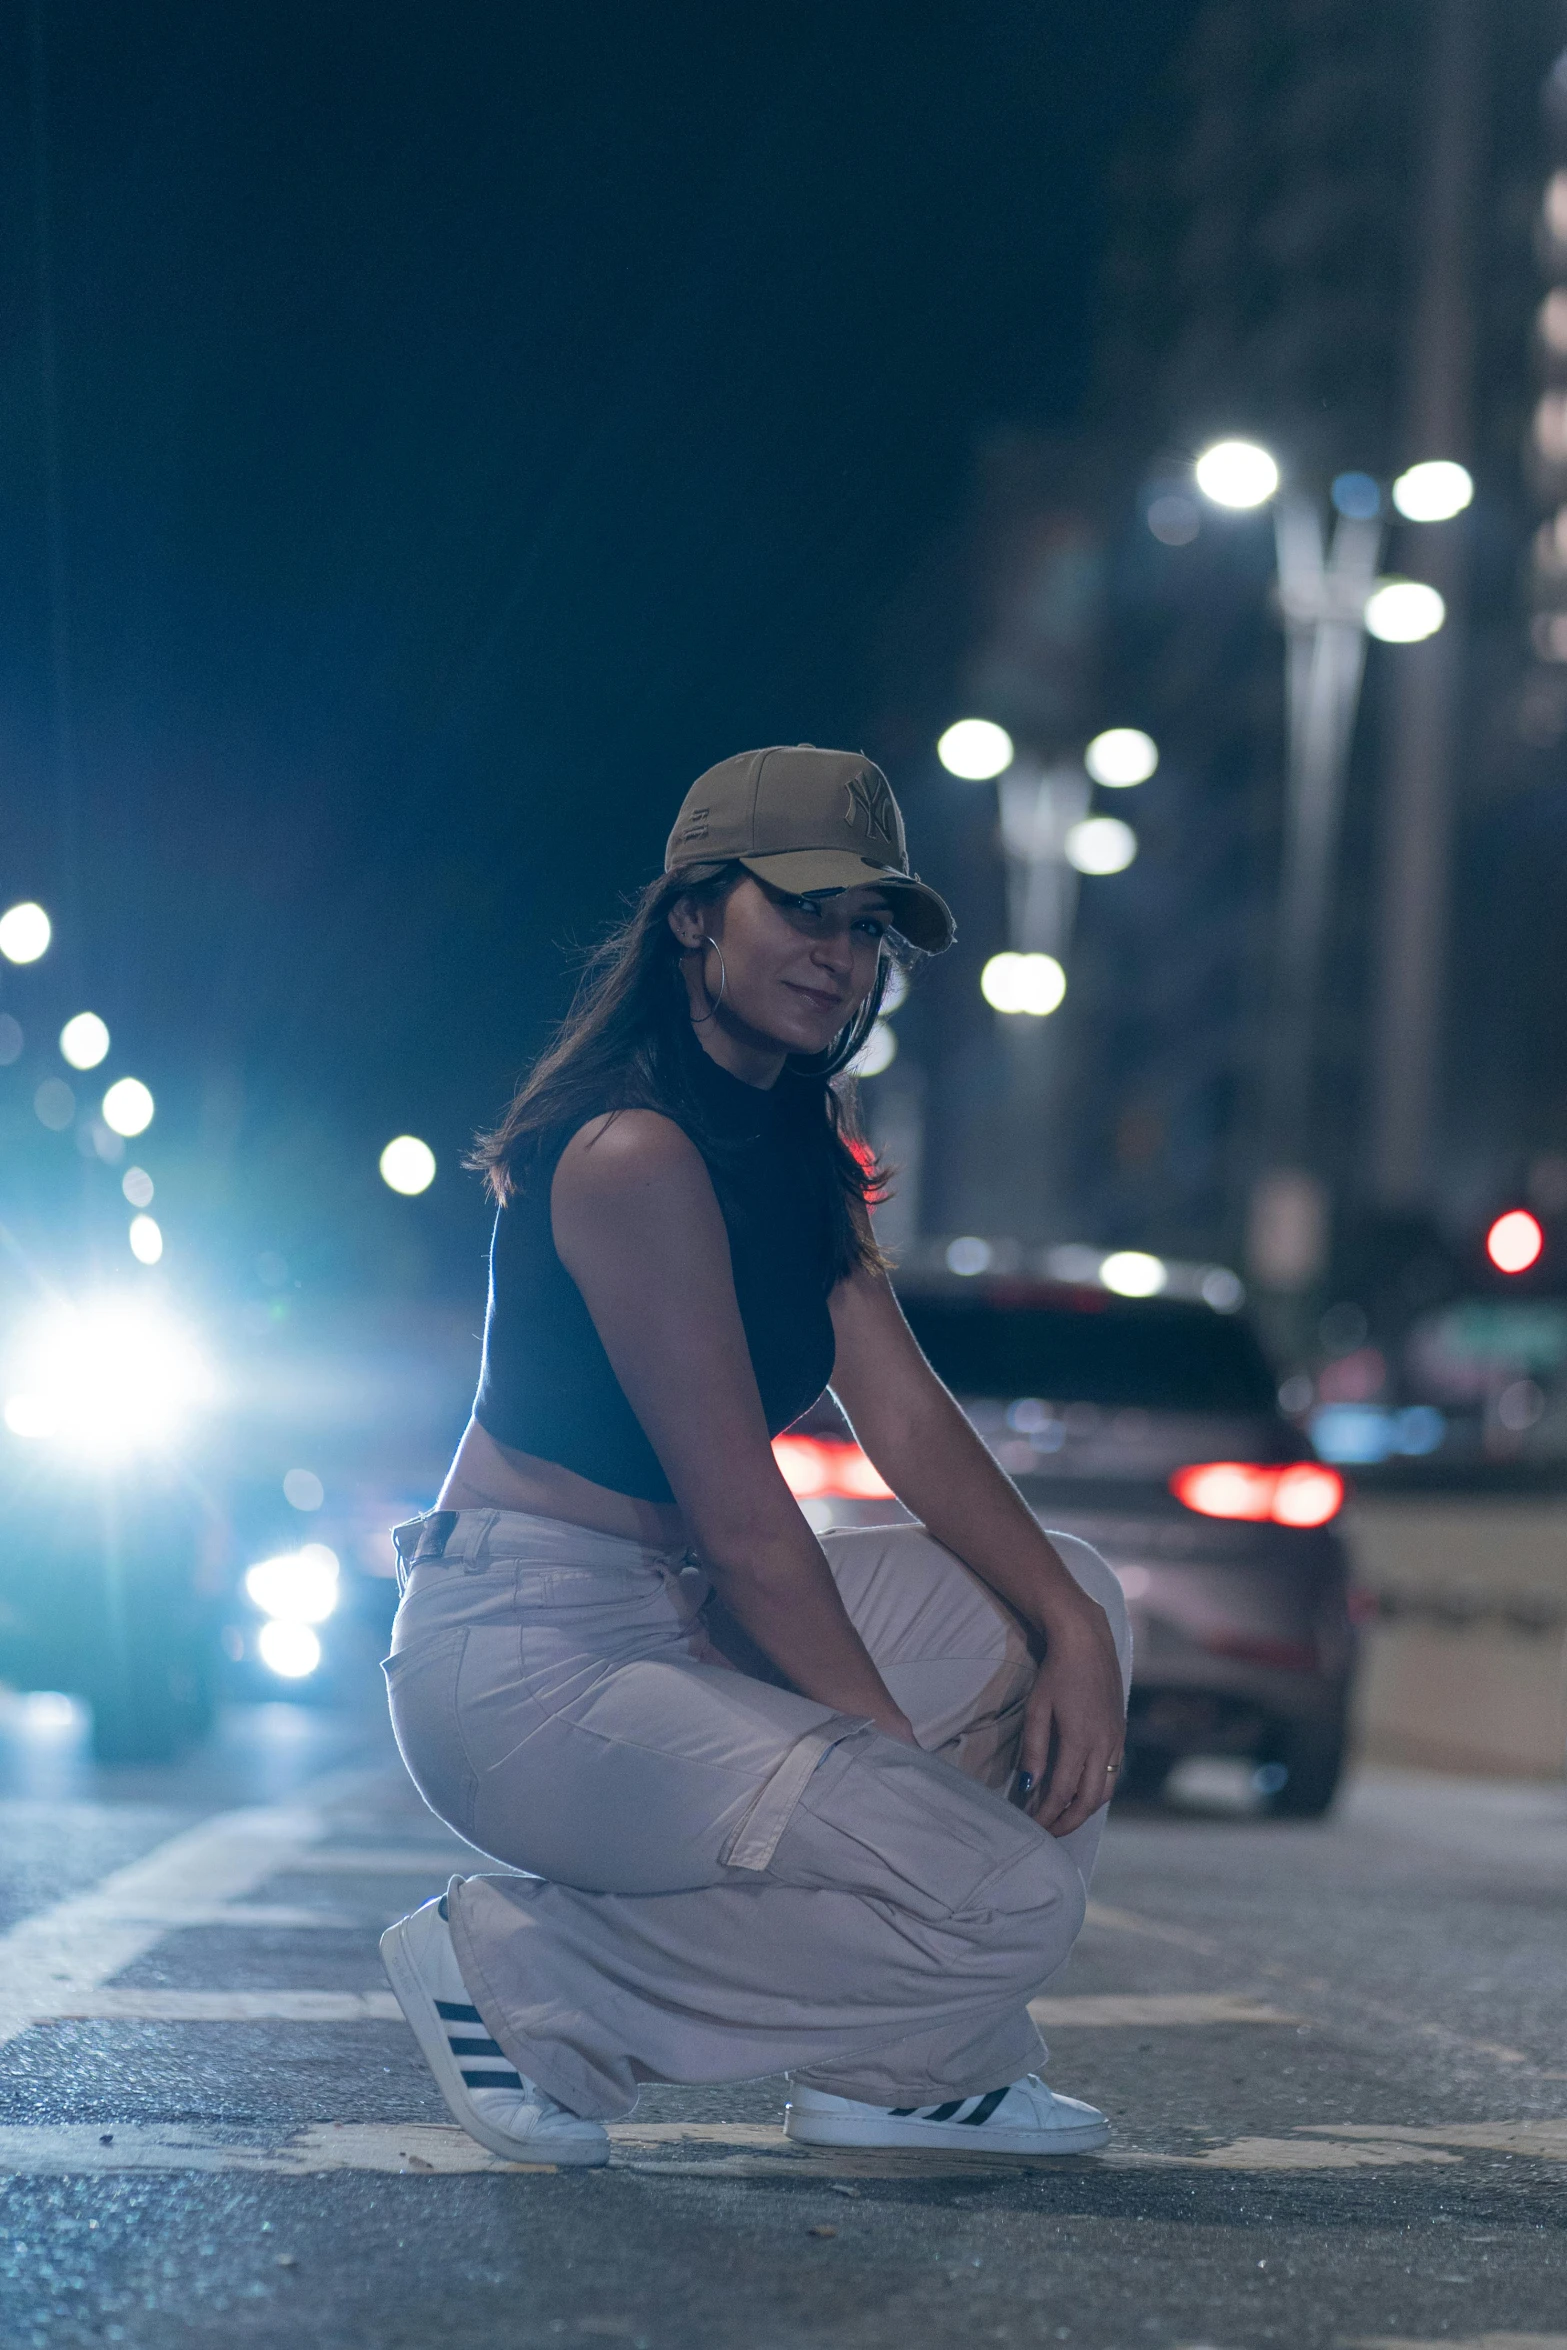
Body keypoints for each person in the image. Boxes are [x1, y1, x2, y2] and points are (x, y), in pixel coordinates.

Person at [379, 744, 1131, 2169]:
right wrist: (891, 1768)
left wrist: (1071, 1621)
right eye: (801, 910)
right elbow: (742, 1520)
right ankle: (523, 1977)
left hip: (674, 1623)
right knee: (1001, 1897)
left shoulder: (800, 1132)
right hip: (528, 1666)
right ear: (690, 915)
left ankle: (913, 2069)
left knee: (1058, 1590)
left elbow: (901, 1417)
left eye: (864, 928)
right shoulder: (628, 1153)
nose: (837, 957)